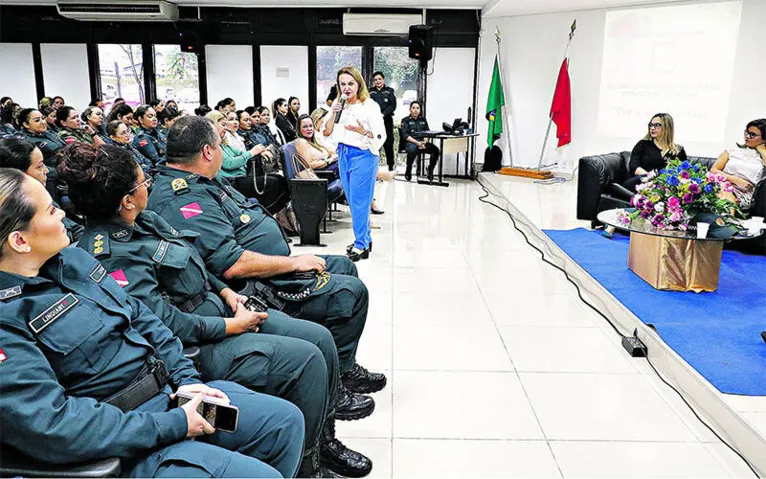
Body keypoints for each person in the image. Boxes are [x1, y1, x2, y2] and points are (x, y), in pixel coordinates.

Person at [58, 144, 373, 478]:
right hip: (200, 345)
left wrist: (225, 292)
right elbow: (165, 323)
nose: (149, 184)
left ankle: (321, 445)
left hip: (223, 309)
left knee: (318, 340)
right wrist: (231, 326)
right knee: (305, 360)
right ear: (127, 200)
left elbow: (193, 261)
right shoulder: (110, 256)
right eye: (142, 182)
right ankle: (309, 467)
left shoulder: (146, 221)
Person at [0, 167, 305, 478]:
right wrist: (175, 424)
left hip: (167, 396)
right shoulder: (7, 318)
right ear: (20, 240)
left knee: (282, 423)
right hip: (121, 441)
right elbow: (55, 425)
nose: (63, 213)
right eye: (51, 210)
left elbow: (145, 320)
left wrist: (186, 379)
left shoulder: (73, 262)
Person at [147, 115, 387, 395]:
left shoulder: (203, 180)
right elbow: (232, 265)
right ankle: (335, 380)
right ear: (207, 152)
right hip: (253, 284)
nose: (223, 150)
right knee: (350, 292)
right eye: (220, 144)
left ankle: (341, 367)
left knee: (343, 266)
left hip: (264, 268)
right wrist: (293, 262)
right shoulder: (183, 198)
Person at [323, 67, 387, 260]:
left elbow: (380, 135)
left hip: (364, 155)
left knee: (360, 201)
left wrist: (362, 131)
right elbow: (326, 131)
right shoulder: (338, 104)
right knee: (353, 201)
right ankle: (365, 239)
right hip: (343, 154)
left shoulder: (370, 106)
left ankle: (360, 245)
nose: (346, 88)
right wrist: (333, 113)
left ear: (358, 84)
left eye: (350, 83)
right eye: (342, 84)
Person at [0, 137, 83, 242]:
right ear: (18, 174)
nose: (46, 170)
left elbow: (74, 228)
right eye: (39, 166)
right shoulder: (16, 216)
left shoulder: (42, 197)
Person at [711, 119, 766, 211]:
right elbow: (713, 170)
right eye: (746, 132)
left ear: (764, 138)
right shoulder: (732, 151)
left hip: (744, 193)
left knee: (723, 192)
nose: (747, 136)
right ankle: (728, 221)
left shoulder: (762, 157)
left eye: (753, 135)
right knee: (723, 188)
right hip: (722, 184)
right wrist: (735, 180)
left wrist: (762, 150)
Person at [625, 113, 688, 192]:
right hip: (641, 182)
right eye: (651, 125)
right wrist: (652, 178)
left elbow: (684, 173)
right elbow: (634, 167)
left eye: (657, 125)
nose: (652, 128)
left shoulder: (678, 151)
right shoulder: (643, 144)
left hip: (664, 188)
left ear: (667, 127)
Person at [16, 108, 67, 199]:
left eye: (43, 118)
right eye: (37, 120)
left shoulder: (49, 133)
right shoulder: (26, 142)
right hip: (53, 177)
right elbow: (35, 167)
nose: (43, 122)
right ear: (26, 124)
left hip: (68, 168)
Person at [401, 100, 440, 182]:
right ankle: (408, 169)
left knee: (435, 150)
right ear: (410, 109)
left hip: (422, 142)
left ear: (420, 110)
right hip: (411, 142)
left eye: (417, 108)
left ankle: (430, 171)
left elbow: (427, 133)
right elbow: (405, 136)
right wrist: (417, 143)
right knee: (412, 150)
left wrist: (424, 142)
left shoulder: (423, 119)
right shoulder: (405, 120)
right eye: (413, 108)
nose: (415, 110)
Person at [369, 71, 397, 171]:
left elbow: (392, 105)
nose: (377, 81)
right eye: (375, 80)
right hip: (374, 123)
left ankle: (391, 166)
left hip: (387, 121)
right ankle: (374, 168)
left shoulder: (389, 91)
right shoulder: (370, 92)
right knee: (374, 144)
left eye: (379, 79)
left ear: (383, 80)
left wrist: (383, 114)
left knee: (388, 144)